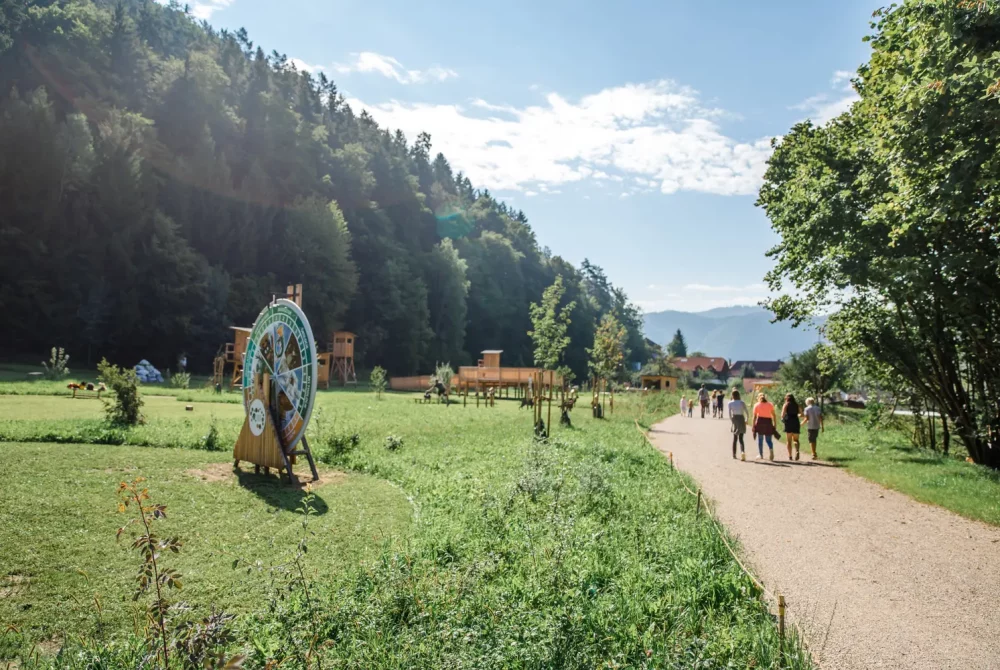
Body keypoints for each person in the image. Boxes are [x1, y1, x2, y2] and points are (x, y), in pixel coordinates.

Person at [752, 392, 778, 461]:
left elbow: (754, 417)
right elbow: (774, 415)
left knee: (760, 440)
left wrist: (753, 426)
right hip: (768, 422)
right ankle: (771, 449)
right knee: (768, 440)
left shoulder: (756, 405)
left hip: (760, 422)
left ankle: (761, 454)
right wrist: (775, 424)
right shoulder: (770, 404)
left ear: (758, 398)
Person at [728, 389, 749, 461]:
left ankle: (734, 454)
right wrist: (746, 419)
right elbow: (746, 412)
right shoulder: (742, 402)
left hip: (735, 419)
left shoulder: (730, 403)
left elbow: (729, 414)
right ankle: (742, 452)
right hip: (741, 418)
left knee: (735, 439)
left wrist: (732, 421)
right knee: (741, 439)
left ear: (732, 395)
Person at [781, 393, 802, 460]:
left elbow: (782, 414)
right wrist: (797, 415)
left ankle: (790, 456)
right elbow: (801, 413)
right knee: (796, 439)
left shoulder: (786, 404)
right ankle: (797, 451)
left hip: (788, 421)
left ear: (787, 398)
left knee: (789, 440)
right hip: (795, 421)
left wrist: (783, 419)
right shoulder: (797, 405)